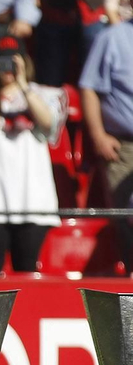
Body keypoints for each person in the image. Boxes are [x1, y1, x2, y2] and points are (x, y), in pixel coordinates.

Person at [0, 35, 61, 274]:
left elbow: (48, 124)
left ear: (24, 61)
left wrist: (24, 85)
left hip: (32, 200)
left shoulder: (42, 94)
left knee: (27, 272)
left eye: (12, 61)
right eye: (1, 62)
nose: (7, 68)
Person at [80, 19, 133, 217]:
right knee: (125, 221)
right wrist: (98, 135)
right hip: (125, 149)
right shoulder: (111, 37)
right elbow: (89, 87)